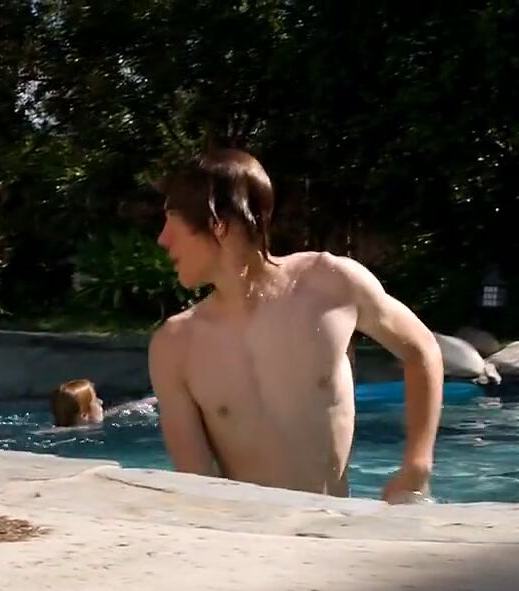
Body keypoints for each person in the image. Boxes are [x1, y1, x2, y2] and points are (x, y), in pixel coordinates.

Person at [148, 149, 444, 502]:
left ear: (218, 224)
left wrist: (417, 466)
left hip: (335, 524)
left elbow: (422, 350)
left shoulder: (331, 284)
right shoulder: (175, 347)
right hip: (246, 529)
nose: (162, 239)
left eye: (172, 220)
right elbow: (198, 486)